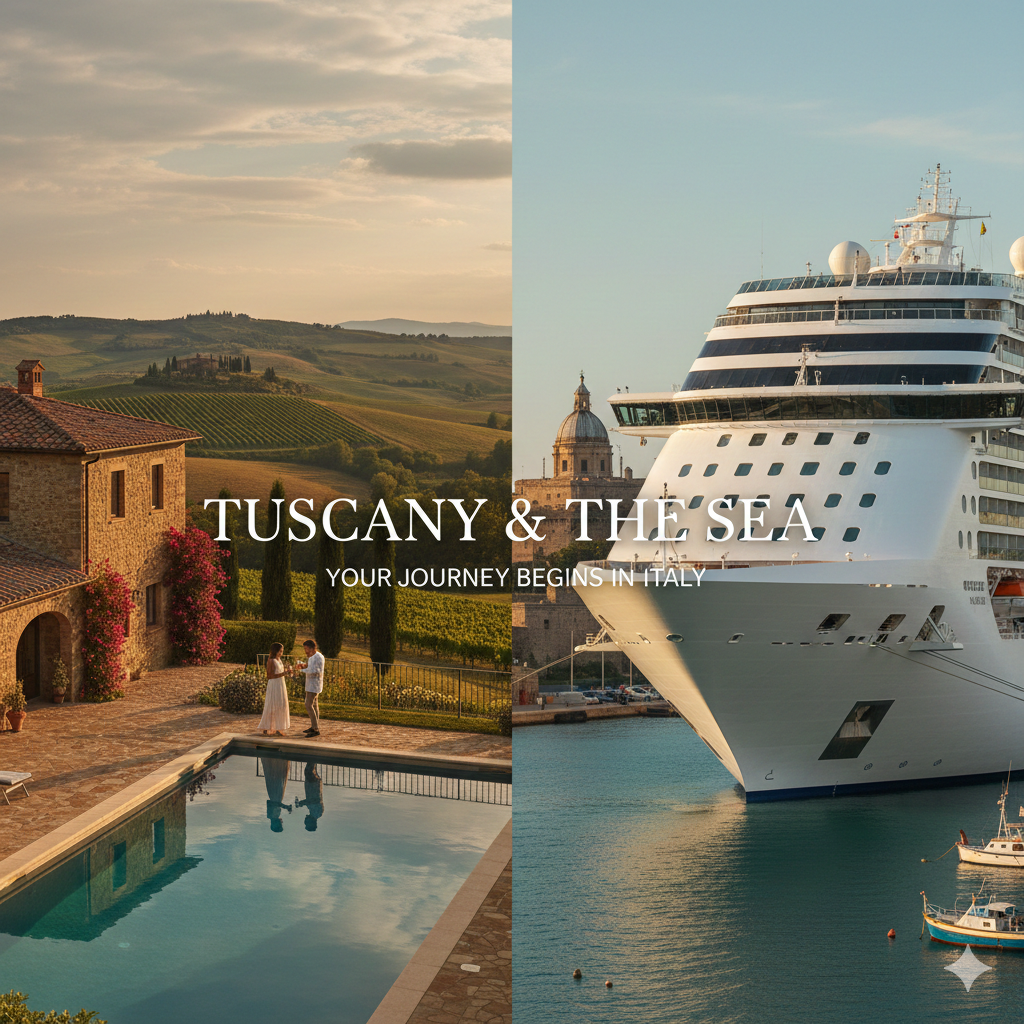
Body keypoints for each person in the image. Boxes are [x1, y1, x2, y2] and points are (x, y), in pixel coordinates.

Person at [258, 642, 290, 736]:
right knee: (272, 705)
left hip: (281, 684)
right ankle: (266, 726)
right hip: (274, 685)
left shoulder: (279, 660)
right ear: (275, 650)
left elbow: (279, 671)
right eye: (280, 651)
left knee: (281, 705)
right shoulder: (271, 661)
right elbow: (269, 676)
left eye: (282, 651)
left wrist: (286, 671)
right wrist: (283, 674)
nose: (281, 653)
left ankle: (278, 727)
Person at [297, 639, 324, 737]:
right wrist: (303, 664)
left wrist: (302, 670)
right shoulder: (312, 657)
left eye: (306, 649)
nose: (305, 651)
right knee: (314, 705)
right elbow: (310, 667)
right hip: (311, 684)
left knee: (308, 704)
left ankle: (315, 728)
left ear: (312, 648)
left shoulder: (318, 657)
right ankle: (314, 726)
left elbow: (315, 670)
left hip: (314, 685)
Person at [260, 755, 292, 832]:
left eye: (280, 824)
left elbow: (275, 803)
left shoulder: (273, 815)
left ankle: (277, 760)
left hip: (276, 793)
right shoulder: (271, 816)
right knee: (276, 775)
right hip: (274, 792)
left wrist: (286, 807)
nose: (282, 822)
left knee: (277, 775)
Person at [295, 760, 324, 831]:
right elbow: (315, 800)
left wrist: (302, 803)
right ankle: (314, 753)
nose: (305, 821)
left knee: (310, 768)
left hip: (313, 785)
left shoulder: (313, 812)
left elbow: (312, 802)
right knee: (308, 770)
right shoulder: (317, 813)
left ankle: (314, 754)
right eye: (306, 823)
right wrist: (302, 803)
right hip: (313, 785)